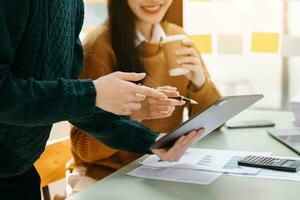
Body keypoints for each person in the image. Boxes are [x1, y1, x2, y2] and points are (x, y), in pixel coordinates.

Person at [0, 1, 203, 199]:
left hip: (18, 171)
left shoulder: (73, 5)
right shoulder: (99, 43)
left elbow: (77, 104)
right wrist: (93, 93)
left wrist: (151, 141)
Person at [70, 0, 221, 184]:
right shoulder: (98, 47)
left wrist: (200, 82)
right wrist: (134, 113)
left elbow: (215, 125)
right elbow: (84, 150)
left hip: (161, 170)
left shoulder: (177, 37)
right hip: (109, 178)